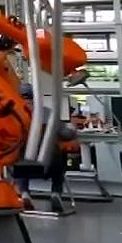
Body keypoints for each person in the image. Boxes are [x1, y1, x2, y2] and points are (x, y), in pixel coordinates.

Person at [15, 82, 75, 213]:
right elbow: (66, 135)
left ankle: (24, 193)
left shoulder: (13, 116)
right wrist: (72, 127)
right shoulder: (48, 113)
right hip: (50, 166)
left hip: (23, 168)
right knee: (61, 159)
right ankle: (55, 193)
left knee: (17, 159)